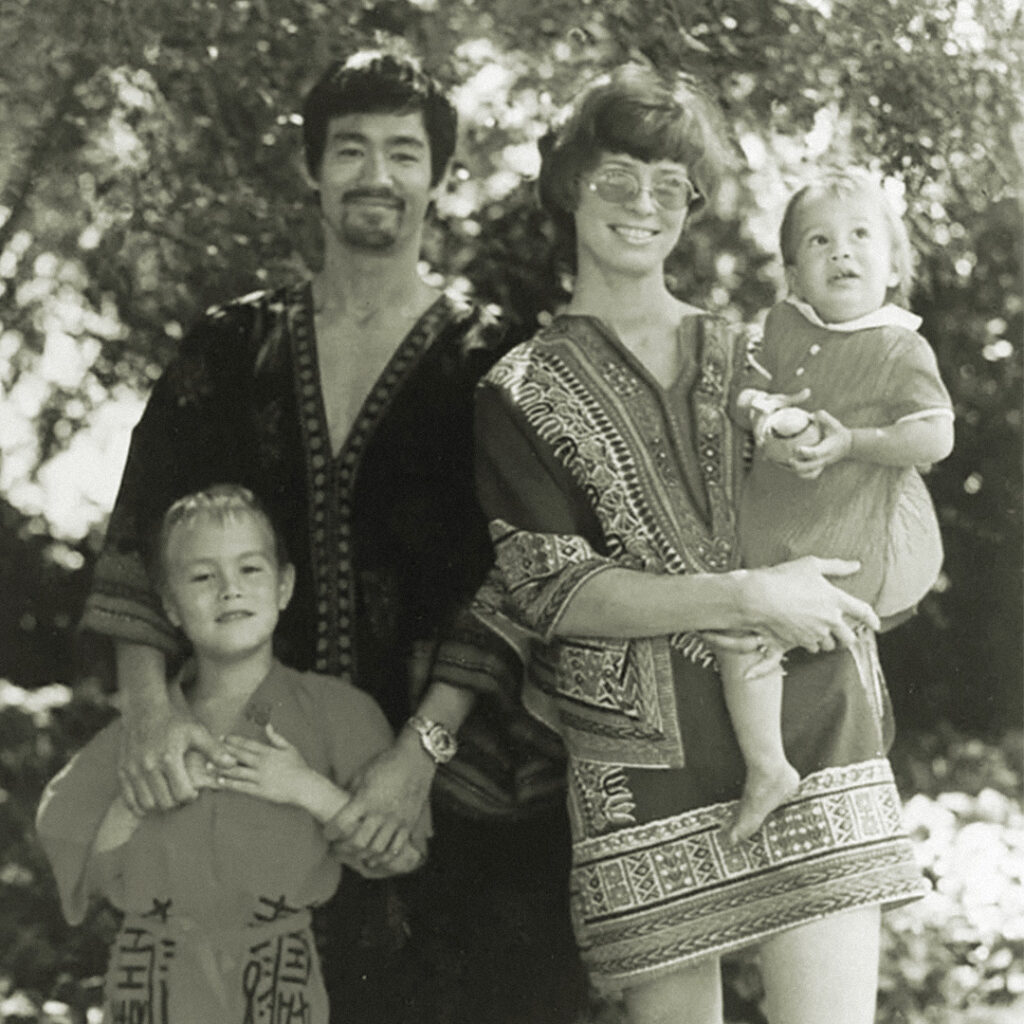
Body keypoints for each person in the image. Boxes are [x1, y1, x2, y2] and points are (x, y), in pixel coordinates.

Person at [78, 50, 583, 1024]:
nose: (376, 175)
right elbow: (142, 526)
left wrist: (415, 760)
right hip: (243, 769)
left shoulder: (493, 359)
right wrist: (147, 712)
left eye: (404, 151)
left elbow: (513, 572)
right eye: (349, 149)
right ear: (311, 170)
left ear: (440, 176)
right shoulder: (233, 345)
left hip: (444, 791)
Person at [473, 64, 928, 1024]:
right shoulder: (516, 388)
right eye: (616, 176)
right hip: (643, 766)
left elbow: (870, 483)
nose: (643, 203)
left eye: (669, 183)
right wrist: (752, 597)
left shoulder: (756, 351)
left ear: (692, 202)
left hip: (814, 719)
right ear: (568, 188)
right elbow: (554, 591)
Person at [38, 485, 427, 1023]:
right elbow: (79, 858)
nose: (229, 590)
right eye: (202, 576)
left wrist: (304, 788)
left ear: (285, 586)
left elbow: (402, 853)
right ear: (169, 605)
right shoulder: (142, 736)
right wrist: (143, 794)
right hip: (152, 977)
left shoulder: (338, 713)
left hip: (275, 980)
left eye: (250, 570)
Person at [718, 168, 955, 842]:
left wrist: (852, 440)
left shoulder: (899, 344)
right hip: (774, 535)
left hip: (848, 539)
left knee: (783, 643)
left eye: (859, 237)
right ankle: (769, 766)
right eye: (818, 242)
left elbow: (935, 434)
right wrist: (761, 414)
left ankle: (801, 779)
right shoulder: (783, 325)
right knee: (744, 631)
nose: (841, 252)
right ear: (793, 273)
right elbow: (745, 391)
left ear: (892, 266)